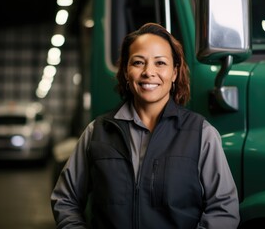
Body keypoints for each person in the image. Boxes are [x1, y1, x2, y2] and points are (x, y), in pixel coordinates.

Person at [51, 22, 240, 229]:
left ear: (175, 73)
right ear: (125, 71)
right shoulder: (97, 132)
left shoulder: (201, 134)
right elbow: (65, 199)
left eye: (160, 63)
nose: (149, 72)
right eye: (138, 62)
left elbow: (223, 209)